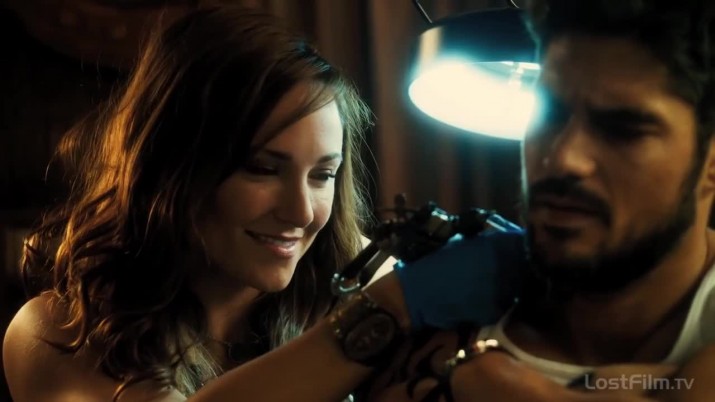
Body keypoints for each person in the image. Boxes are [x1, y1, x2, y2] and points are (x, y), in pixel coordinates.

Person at [365, 0, 715, 401]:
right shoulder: (435, 328)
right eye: (549, 113)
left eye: (623, 130)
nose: (564, 158)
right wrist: (394, 301)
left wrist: (494, 382)